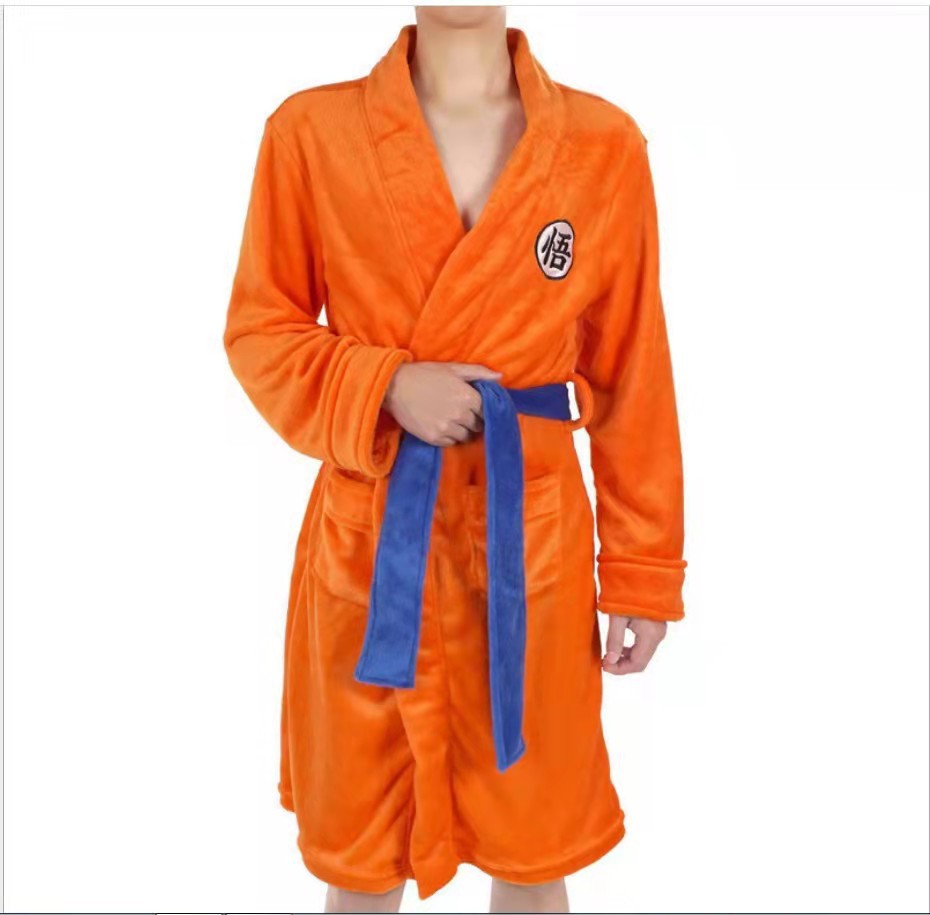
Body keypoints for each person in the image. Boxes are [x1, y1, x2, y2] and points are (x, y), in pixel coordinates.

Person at [223, 6, 686, 913]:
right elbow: (259, 329)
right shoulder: (310, 132)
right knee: (364, 855)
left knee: (534, 848)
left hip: (529, 543)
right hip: (374, 547)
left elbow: (632, 371)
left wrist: (642, 568)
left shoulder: (602, 145)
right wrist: (385, 385)